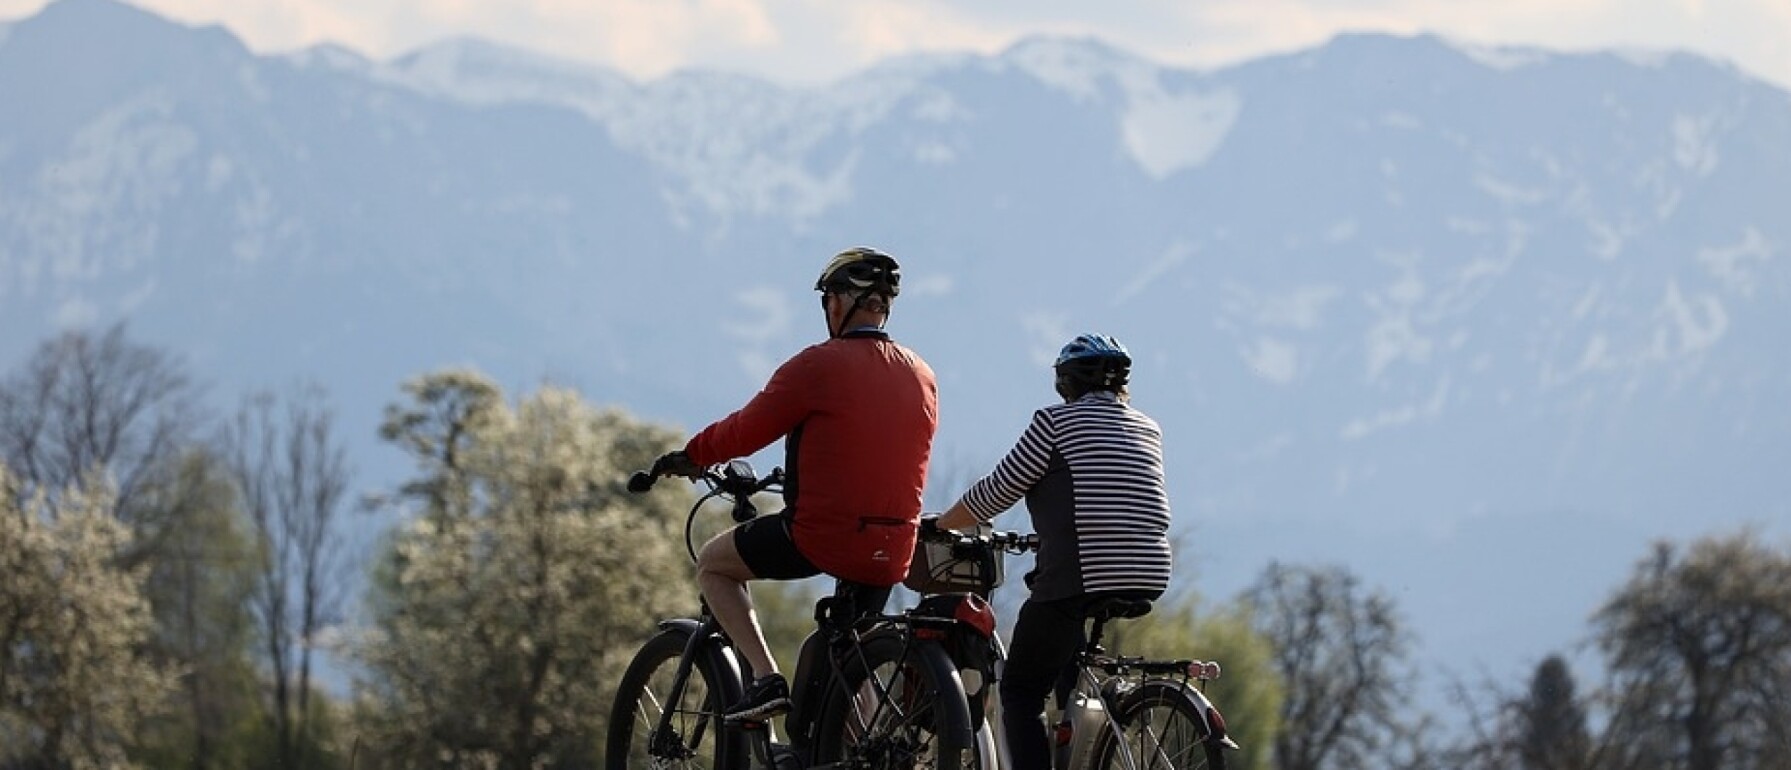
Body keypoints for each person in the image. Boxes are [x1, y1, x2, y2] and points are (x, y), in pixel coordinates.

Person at [648, 246, 939, 721]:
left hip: (822, 537)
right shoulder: (923, 374)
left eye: (828, 300)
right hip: (895, 546)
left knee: (714, 564)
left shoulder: (818, 365)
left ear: (840, 303)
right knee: (847, 656)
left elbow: (747, 429)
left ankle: (765, 679)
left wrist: (690, 455)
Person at [932, 332, 1173, 769]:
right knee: (1066, 652)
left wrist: (942, 523)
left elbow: (998, 490)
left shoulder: (1055, 423)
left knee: (1021, 691)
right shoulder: (1148, 427)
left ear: (1065, 384)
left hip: (1084, 571)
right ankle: (1089, 736)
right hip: (1150, 570)